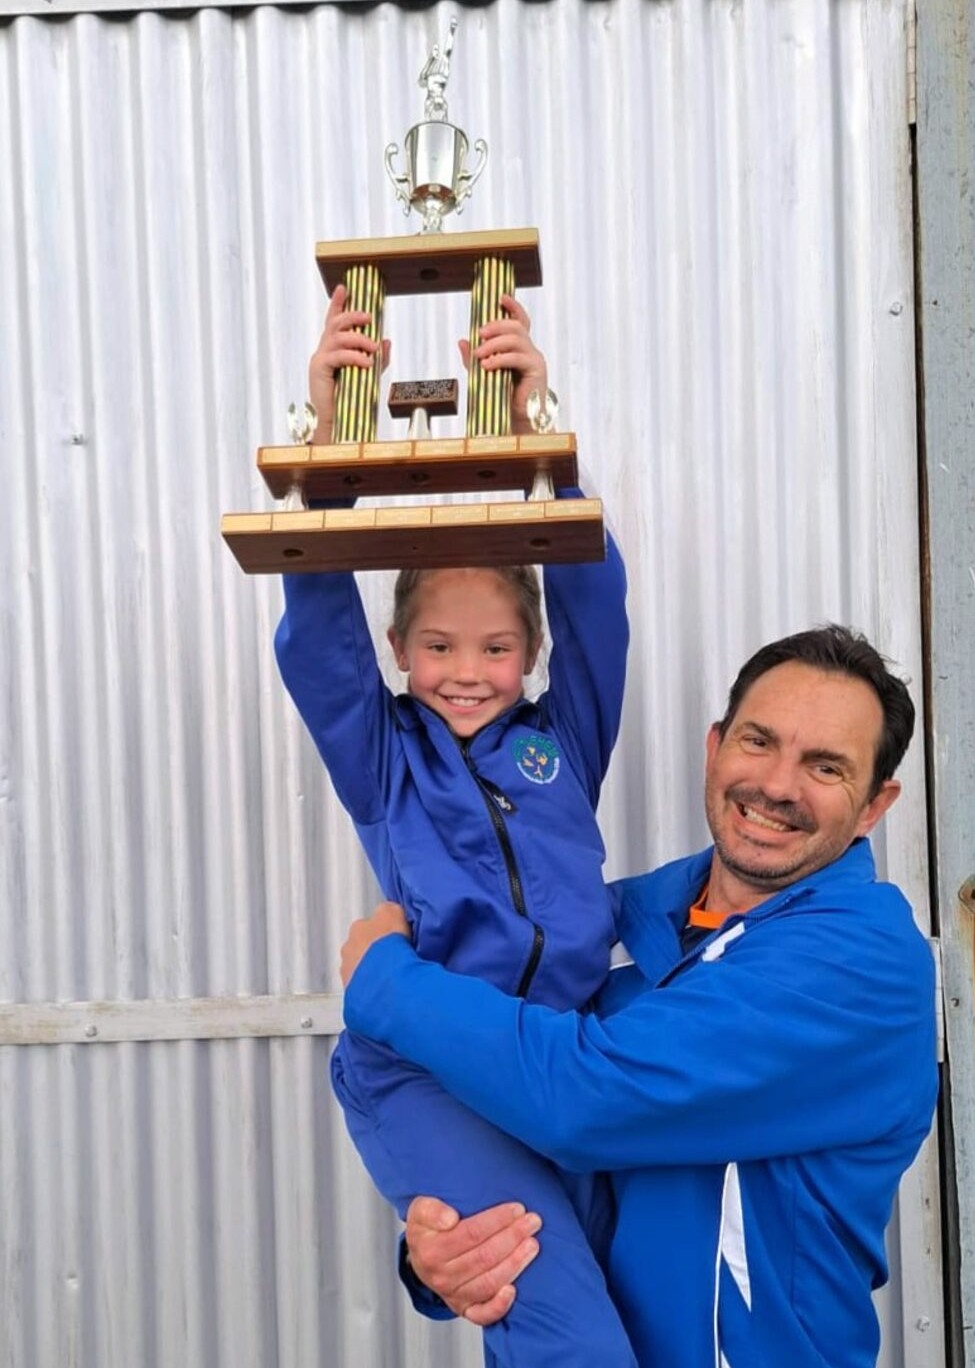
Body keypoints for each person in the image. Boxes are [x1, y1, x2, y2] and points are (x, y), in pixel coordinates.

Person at [339, 625, 940, 1368]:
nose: (778, 785)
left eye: (826, 767)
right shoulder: (616, 926)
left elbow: (585, 1100)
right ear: (715, 749)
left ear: (875, 805)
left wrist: (385, 982)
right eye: (759, 742)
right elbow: (509, 1116)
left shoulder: (862, 964)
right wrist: (447, 1256)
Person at [275, 286, 636, 1367]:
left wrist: (544, 451)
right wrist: (334, 441)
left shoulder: (560, 742)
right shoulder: (385, 758)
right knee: (565, 1334)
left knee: (623, 1311)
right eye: (437, 646)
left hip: (563, 1056)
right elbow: (315, 637)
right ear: (399, 650)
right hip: (429, 1066)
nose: (466, 673)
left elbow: (599, 613)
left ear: (527, 652)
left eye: (492, 648)